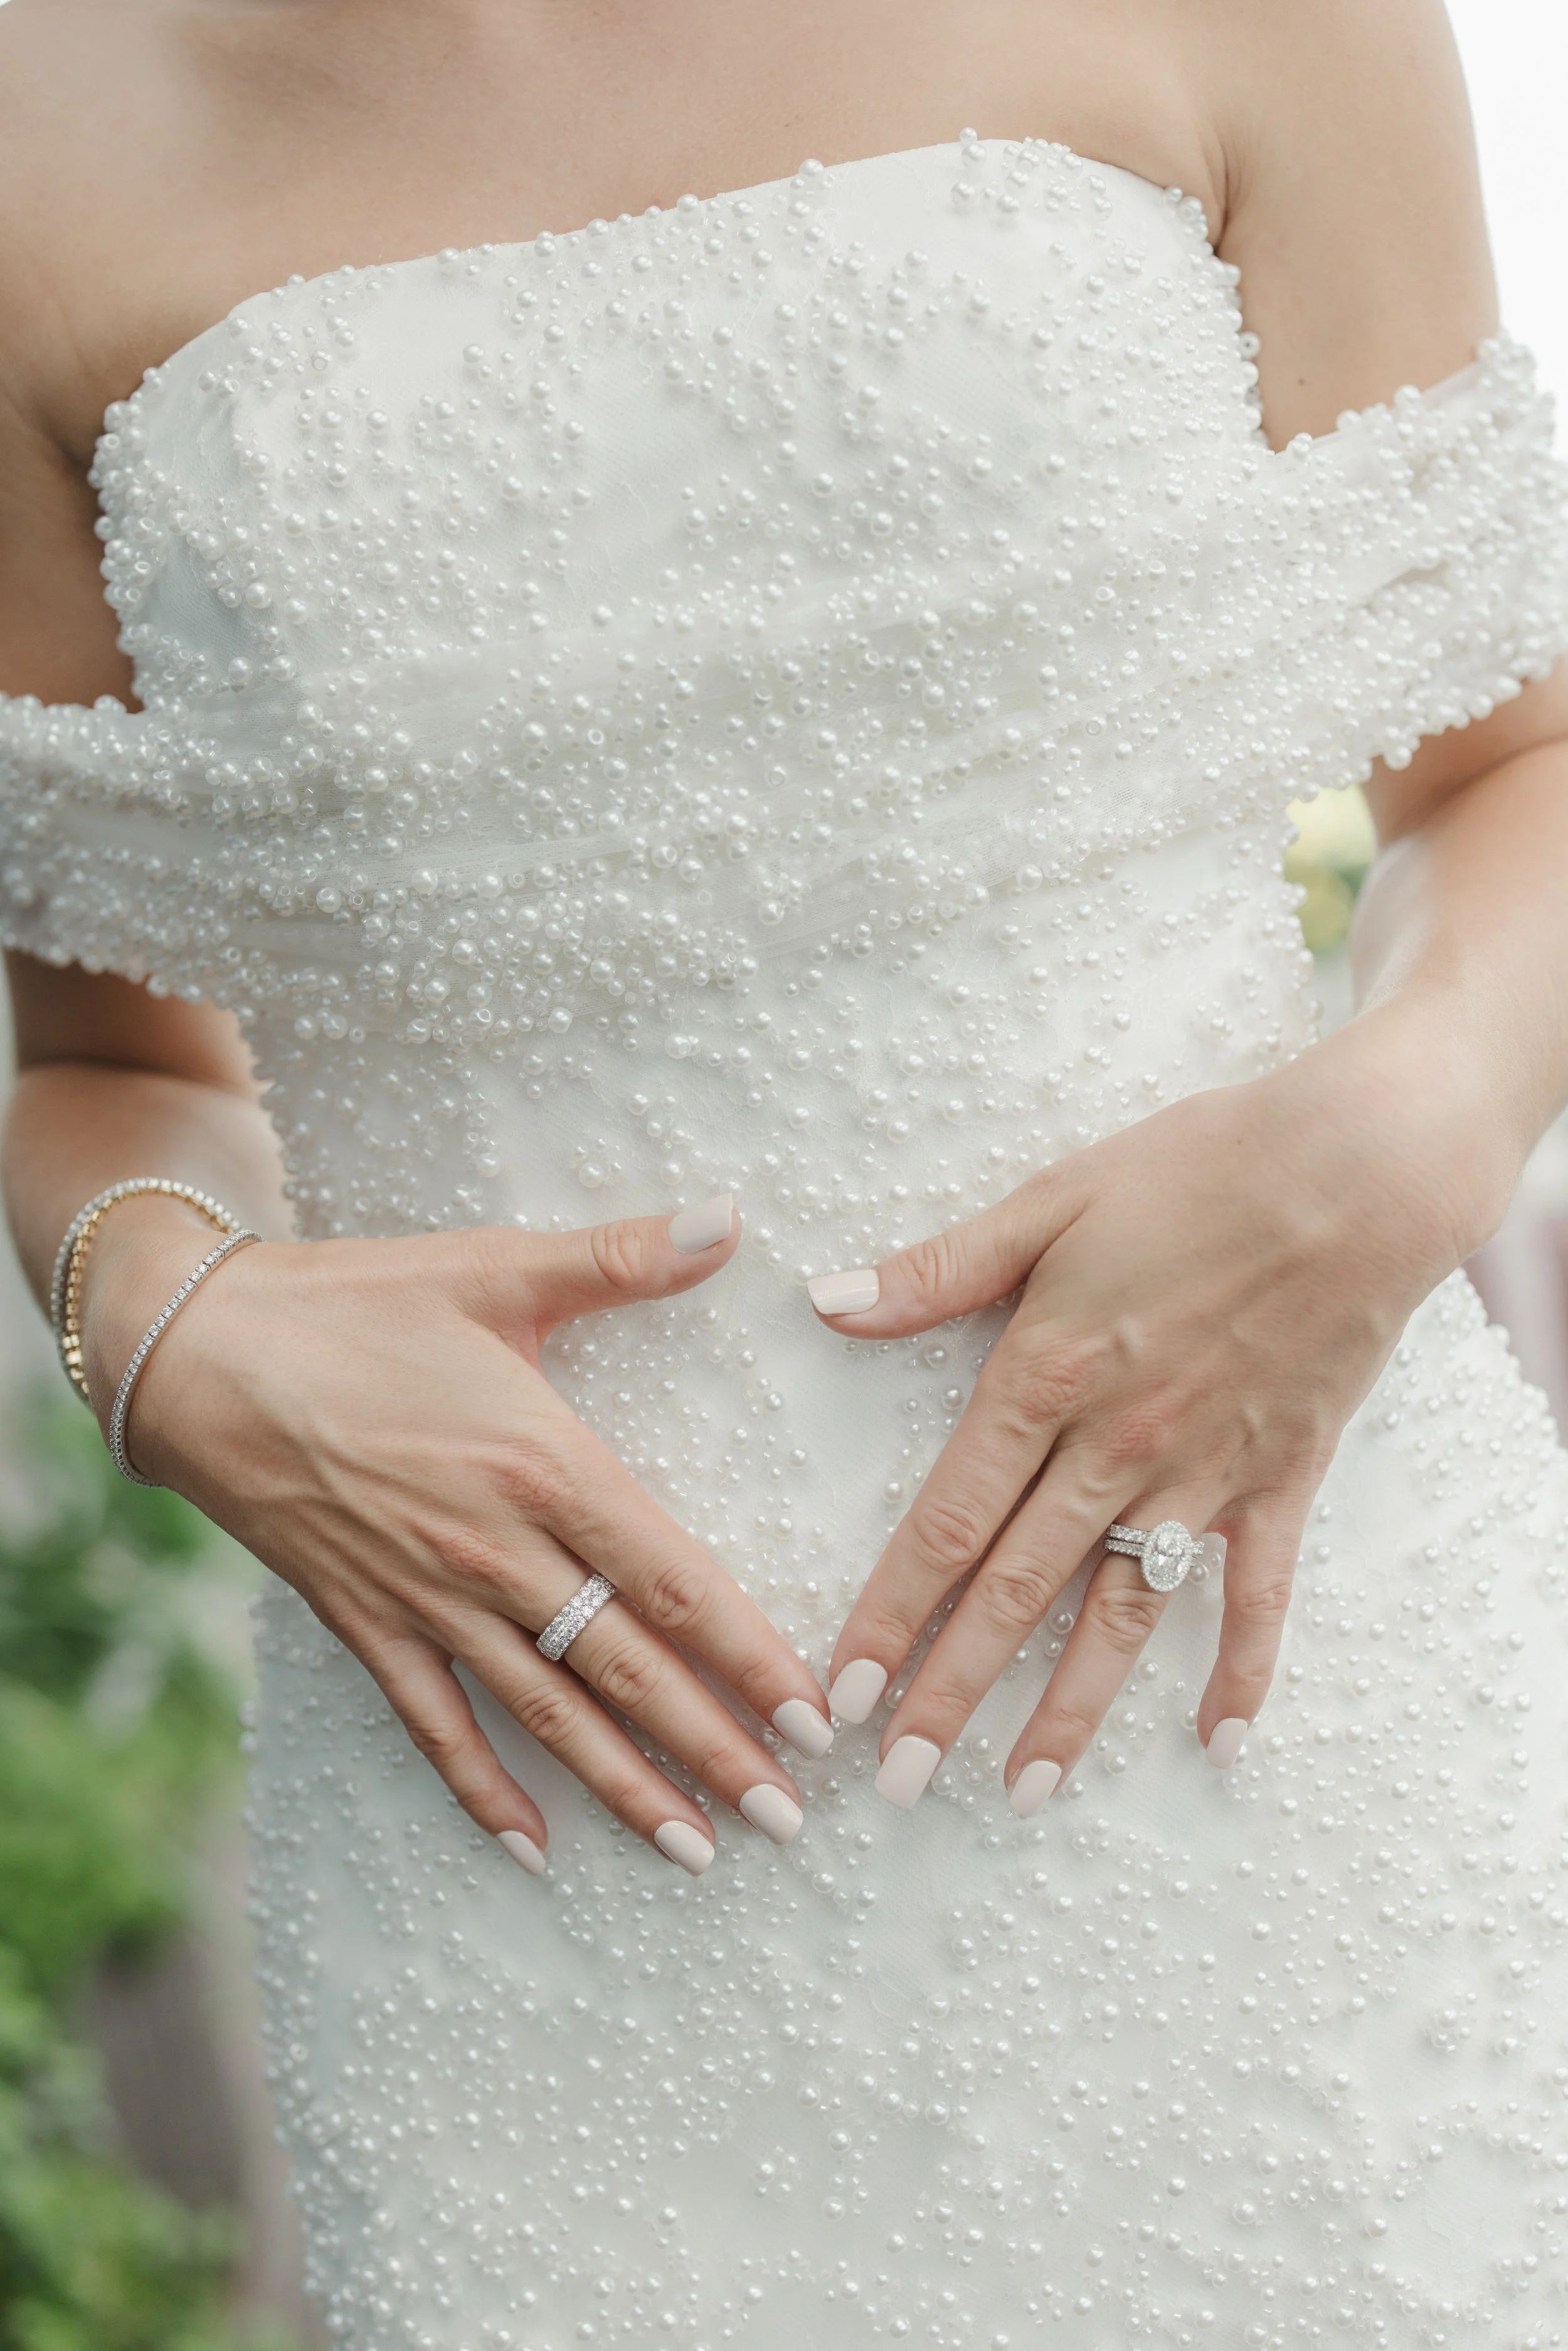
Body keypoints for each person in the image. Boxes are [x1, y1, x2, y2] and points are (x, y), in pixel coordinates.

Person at [4, 0, 1567, 2340]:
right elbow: (103, 1054)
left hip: (1286, 1690)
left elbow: (1511, 753)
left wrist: (1405, 1124)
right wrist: (176, 1330)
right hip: (549, 1823)